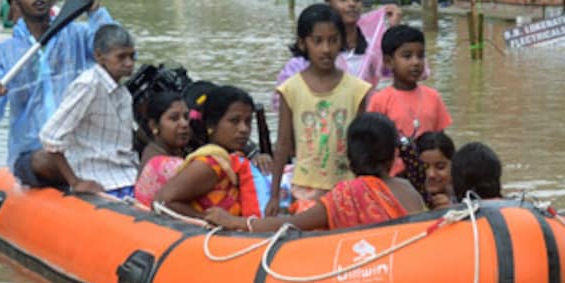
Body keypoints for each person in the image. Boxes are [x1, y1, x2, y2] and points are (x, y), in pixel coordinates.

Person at [0, 0, 113, 177]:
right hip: (32, 154)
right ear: (16, 5)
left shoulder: (78, 36)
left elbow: (117, 55)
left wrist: (95, 13)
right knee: (47, 159)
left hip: (79, 145)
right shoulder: (2, 54)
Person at [207, 113, 423, 232]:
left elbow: (290, 225)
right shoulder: (408, 188)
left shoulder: (346, 194)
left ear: (349, 155)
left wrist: (236, 222)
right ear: (393, 155)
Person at [269, 3, 372, 216]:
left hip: (347, 188)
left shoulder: (357, 90)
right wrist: (274, 196)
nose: (326, 49)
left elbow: (362, 147)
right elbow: (283, 144)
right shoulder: (290, 89)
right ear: (303, 43)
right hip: (305, 189)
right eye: (317, 41)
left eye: (333, 40)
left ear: (342, 41)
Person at [31, 24, 138, 197]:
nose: (129, 63)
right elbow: (50, 135)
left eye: (132, 56)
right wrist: (75, 181)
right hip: (99, 178)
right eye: (121, 57)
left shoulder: (123, 93)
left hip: (127, 173)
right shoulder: (88, 85)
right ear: (98, 56)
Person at [272, 0, 404, 109]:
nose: (352, 4)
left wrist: (396, 31)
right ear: (328, 4)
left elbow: (404, 72)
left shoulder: (372, 50)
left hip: (363, 123)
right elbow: (281, 101)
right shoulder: (307, 57)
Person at [154, 86, 262, 219]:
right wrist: (207, 220)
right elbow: (163, 201)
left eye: (248, 121)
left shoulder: (234, 159)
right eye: (234, 121)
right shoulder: (209, 165)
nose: (244, 129)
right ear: (211, 125)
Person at [366, 24, 452, 175]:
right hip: (394, 179)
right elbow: (372, 147)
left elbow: (442, 144)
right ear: (388, 62)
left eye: (420, 56)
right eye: (407, 56)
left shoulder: (433, 97)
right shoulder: (379, 100)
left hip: (429, 177)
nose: (416, 62)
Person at [134, 91, 193, 208]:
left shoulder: (156, 149)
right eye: (174, 118)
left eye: (186, 117)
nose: (184, 124)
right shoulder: (160, 162)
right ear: (154, 126)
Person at [415, 130, 455, 209]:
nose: (431, 174)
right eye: (424, 167)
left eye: (440, 167)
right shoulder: (403, 197)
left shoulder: (465, 197)